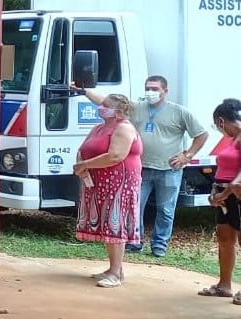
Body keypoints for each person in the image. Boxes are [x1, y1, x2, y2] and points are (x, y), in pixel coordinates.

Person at [82, 76, 208, 257]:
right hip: (142, 168)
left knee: (165, 209)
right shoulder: (137, 108)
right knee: (135, 206)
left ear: (165, 90)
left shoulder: (179, 112)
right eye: (148, 88)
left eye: (155, 89)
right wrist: (84, 91)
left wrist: (187, 155)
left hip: (169, 169)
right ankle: (135, 241)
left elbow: (202, 134)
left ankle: (160, 245)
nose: (151, 92)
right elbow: (107, 102)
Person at [73, 94, 141, 288]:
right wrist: (82, 163)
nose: (101, 107)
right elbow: (85, 147)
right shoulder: (99, 127)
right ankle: (115, 269)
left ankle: (115, 272)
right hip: (98, 182)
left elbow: (115, 156)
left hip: (118, 183)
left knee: (115, 223)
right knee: (107, 223)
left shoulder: (124, 128)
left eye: (106, 106)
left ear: (118, 112)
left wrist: (85, 164)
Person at [197, 99, 241, 303]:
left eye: (217, 125)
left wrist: (223, 195)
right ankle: (224, 285)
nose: (219, 129)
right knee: (225, 239)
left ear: (221, 121)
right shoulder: (232, 138)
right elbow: (224, 170)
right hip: (224, 196)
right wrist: (215, 191)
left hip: (236, 195)